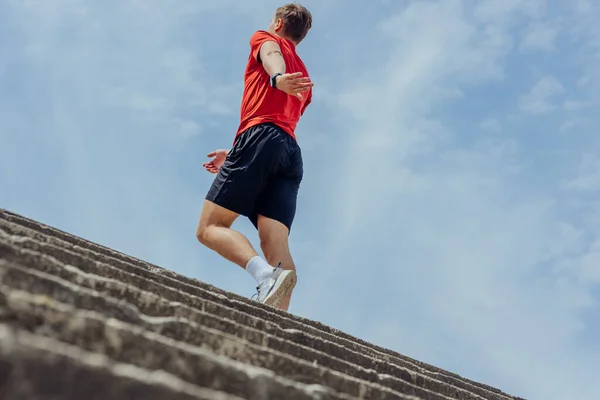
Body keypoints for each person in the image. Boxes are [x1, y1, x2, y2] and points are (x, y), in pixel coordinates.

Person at [196, 3, 314, 312]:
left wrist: (276, 78)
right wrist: (234, 153)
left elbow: (270, 55)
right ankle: (279, 317)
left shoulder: (265, 37)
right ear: (301, 36)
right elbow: (279, 118)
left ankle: (264, 275)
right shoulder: (305, 78)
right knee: (274, 240)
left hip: (260, 137)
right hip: (289, 153)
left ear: (278, 23)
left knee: (210, 228)